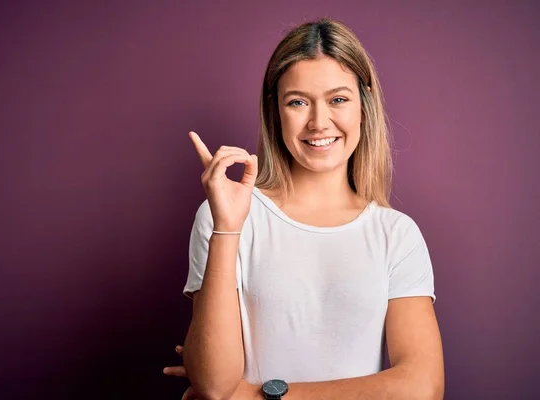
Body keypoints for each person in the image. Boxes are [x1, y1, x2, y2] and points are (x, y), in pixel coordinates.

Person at [164, 17, 444, 400]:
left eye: (338, 99)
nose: (318, 122)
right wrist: (227, 226)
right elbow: (215, 385)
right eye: (298, 102)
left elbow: (421, 388)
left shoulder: (397, 235)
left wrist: (258, 396)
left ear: (364, 105)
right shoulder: (225, 215)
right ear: (275, 111)